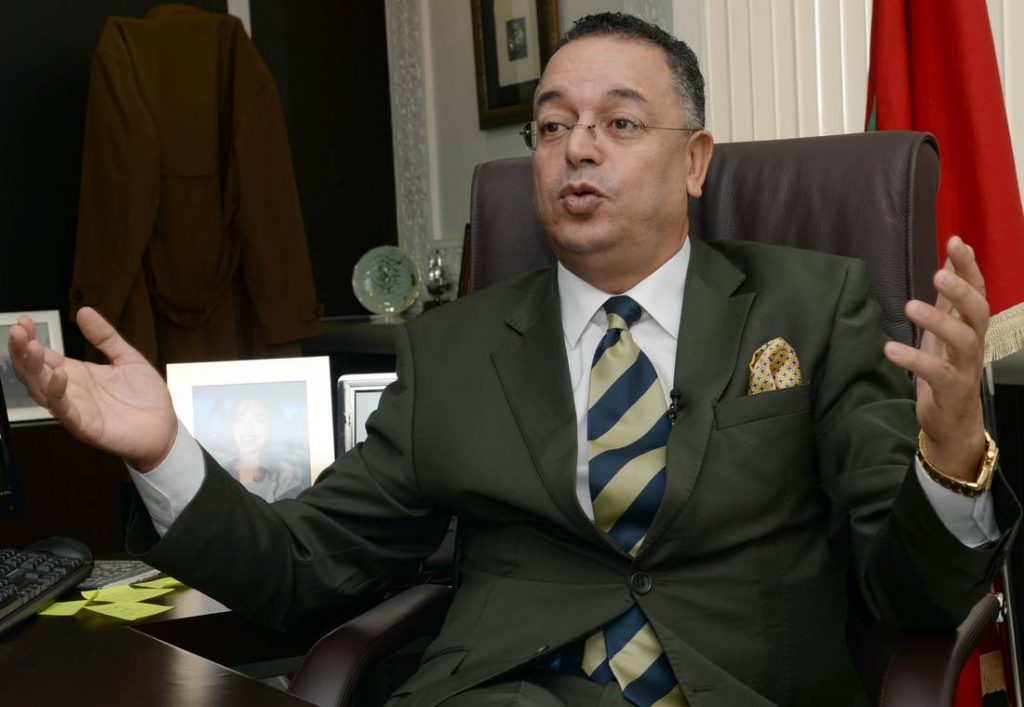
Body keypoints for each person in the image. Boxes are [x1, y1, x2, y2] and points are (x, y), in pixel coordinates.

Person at [9, 13, 1020, 707]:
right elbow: (301, 568)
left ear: (695, 159)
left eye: (619, 123)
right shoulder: (451, 349)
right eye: (552, 126)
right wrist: (163, 452)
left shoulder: (813, 304)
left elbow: (910, 591)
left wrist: (950, 455)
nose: (578, 148)